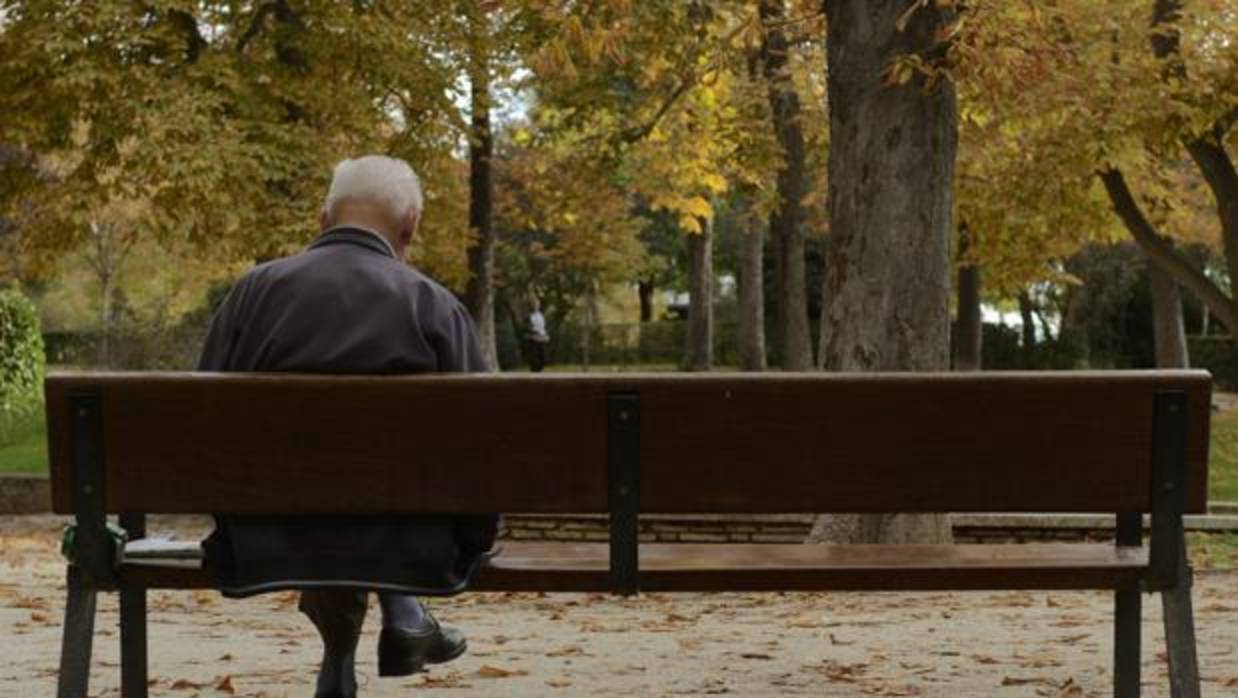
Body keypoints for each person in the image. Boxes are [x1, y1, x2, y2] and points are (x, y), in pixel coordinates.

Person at [197, 155, 498, 698]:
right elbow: (480, 449)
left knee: (327, 511)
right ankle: (405, 612)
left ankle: (344, 654)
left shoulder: (252, 294)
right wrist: (471, 542)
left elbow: (199, 421)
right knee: (366, 515)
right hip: (412, 546)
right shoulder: (434, 307)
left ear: (323, 219)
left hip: (265, 541)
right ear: (410, 227)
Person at [526, 300, 549, 373]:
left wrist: (545, 335)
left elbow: (543, 327)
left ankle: (540, 371)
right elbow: (527, 327)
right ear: (531, 306)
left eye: (537, 305)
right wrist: (533, 333)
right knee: (534, 356)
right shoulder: (529, 315)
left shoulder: (541, 315)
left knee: (542, 355)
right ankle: (534, 372)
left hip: (541, 337)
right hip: (533, 337)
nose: (536, 306)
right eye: (534, 305)